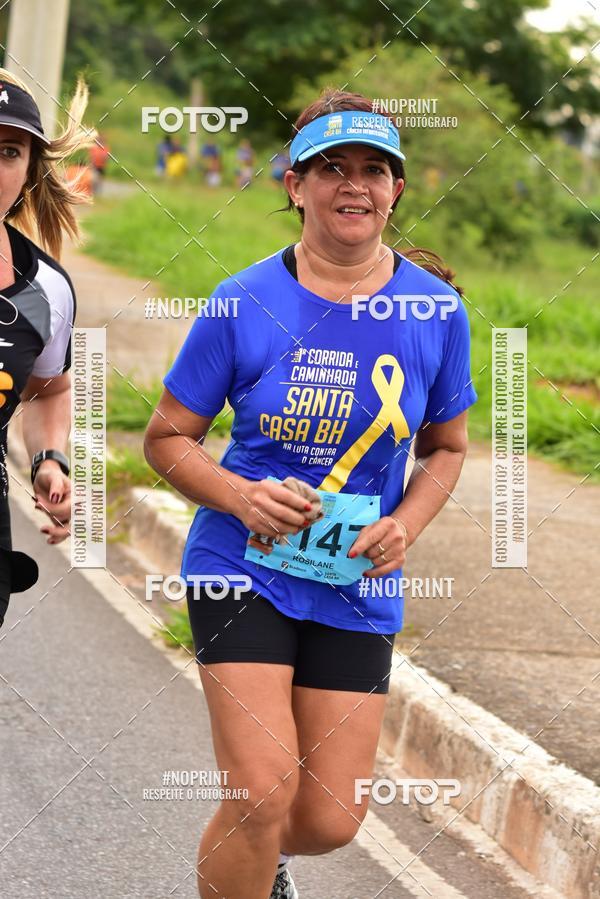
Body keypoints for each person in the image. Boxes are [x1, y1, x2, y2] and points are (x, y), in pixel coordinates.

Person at [144, 89, 477, 899]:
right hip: (242, 563)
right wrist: (239, 497)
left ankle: (261, 856)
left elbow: (446, 447)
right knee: (260, 790)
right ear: (295, 185)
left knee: (329, 817)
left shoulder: (435, 313)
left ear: (397, 189)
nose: (352, 185)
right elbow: (165, 439)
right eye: (331, 167)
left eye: (373, 169)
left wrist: (405, 524)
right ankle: (252, 842)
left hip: (355, 580)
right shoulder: (241, 300)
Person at [0, 69, 94, 630]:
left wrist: (48, 459)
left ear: (29, 170)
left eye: (9, 152)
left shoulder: (46, 289)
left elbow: (47, 389)